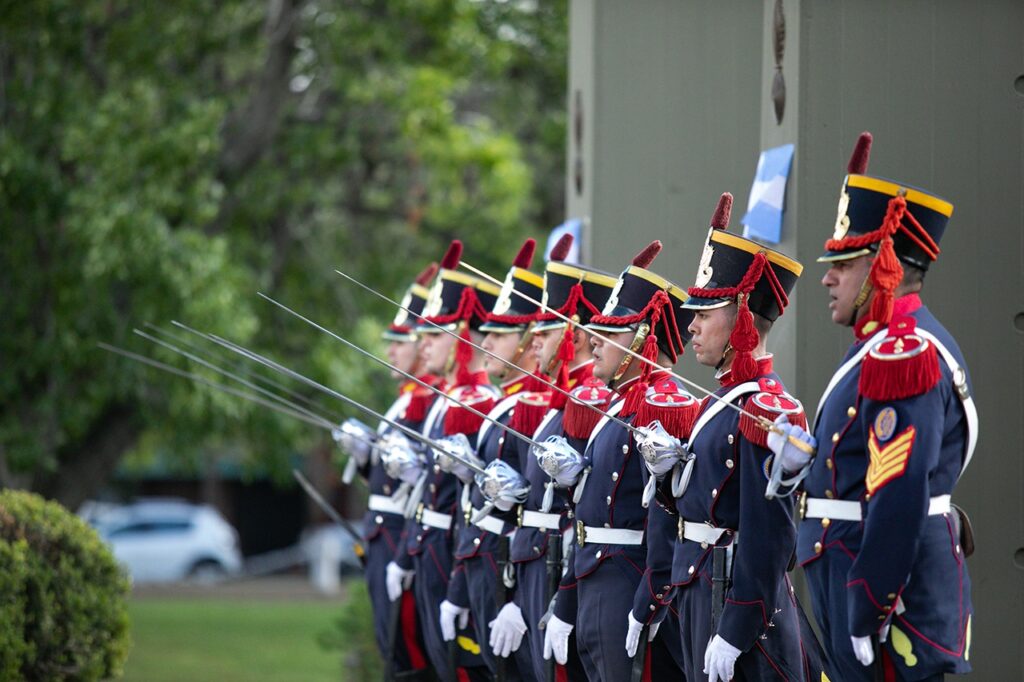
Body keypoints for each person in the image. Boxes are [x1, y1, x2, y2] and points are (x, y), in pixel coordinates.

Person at [774, 132, 976, 681]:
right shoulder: (878, 344)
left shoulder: (901, 352)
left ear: (883, 265)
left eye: (844, 263)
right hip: (851, 569)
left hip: (885, 589)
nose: (826, 277)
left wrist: (869, 599)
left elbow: (900, 488)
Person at [668, 192, 809, 682]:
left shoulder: (763, 409)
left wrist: (737, 625)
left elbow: (769, 534)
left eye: (705, 314)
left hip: (737, 610)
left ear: (742, 316)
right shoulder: (722, 401)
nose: (692, 327)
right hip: (699, 591)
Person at [545, 239, 693, 681]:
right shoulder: (617, 407)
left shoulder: (663, 405)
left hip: (628, 583)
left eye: (611, 333)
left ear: (645, 336)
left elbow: (667, 517)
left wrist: (650, 598)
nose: (593, 341)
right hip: (595, 578)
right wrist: (568, 598)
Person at [385, 239, 501, 682]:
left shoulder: (475, 401)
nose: (423, 343)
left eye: (436, 333)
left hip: (456, 550)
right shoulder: (444, 399)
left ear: (463, 339)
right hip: (428, 546)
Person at [508, 233, 616, 681]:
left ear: (573, 332)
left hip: (563, 565)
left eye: (547, 331)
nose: (534, 342)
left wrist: (565, 594)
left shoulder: (587, 400)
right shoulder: (561, 400)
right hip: (539, 561)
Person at [441, 238, 545, 681]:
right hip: (482, 563)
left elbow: (539, 513)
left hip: (510, 573)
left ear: (526, 343)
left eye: (501, 334)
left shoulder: (536, 407)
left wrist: (519, 602)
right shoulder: (505, 406)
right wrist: (459, 584)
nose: (486, 342)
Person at [357, 262, 438, 679]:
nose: (391, 350)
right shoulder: (404, 400)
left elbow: (427, 481)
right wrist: (363, 453)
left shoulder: (428, 401)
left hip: (401, 534)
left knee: (409, 649)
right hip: (382, 534)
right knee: (391, 646)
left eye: (400, 341)